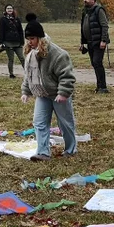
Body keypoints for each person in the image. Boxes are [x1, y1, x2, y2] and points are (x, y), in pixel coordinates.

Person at [21, 14, 77, 161]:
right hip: (42, 94)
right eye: (28, 39)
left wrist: (63, 93)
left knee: (65, 122)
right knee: (39, 122)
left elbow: (67, 76)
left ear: (40, 38)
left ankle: (71, 149)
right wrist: (26, 91)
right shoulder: (31, 55)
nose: (30, 42)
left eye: (32, 39)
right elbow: (29, 75)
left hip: (58, 95)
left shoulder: (58, 54)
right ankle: (43, 152)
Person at [80, 0, 110, 93]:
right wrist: (82, 42)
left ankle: (103, 87)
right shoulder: (85, 11)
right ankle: (99, 86)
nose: (85, 0)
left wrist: (103, 40)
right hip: (89, 42)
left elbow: (104, 25)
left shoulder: (99, 10)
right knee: (94, 63)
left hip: (98, 42)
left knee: (97, 62)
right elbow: (83, 27)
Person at [0, 4, 25, 79]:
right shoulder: (2, 19)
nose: (9, 9)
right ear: (5, 10)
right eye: (8, 8)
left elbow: (20, 31)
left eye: (11, 8)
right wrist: (1, 42)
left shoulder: (17, 19)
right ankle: (11, 74)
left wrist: (22, 41)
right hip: (8, 42)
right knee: (11, 59)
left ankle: (28, 72)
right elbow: (1, 31)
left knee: (22, 58)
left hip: (17, 42)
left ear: (13, 9)